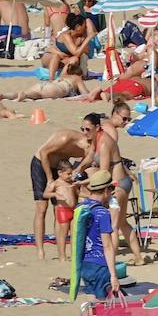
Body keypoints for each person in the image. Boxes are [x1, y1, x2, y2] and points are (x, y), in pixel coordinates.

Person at [30, 127, 94, 261]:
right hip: (41, 164)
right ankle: (40, 250)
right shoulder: (65, 138)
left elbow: (84, 165)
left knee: (59, 209)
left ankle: (61, 252)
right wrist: (49, 179)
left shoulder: (86, 149)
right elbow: (43, 152)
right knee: (41, 208)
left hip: (60, 168)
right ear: (87, 142)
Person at [93, 104, 146, 265]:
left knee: (113, 225)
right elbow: (116, 157)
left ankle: (110, 261)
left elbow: (109, 158)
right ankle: (138, 257)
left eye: (129, 119)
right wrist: (129, 172)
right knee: (122, 223)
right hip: (123, 182)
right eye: (124, 118)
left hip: (116, 185)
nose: (126, 122)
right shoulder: (108, 130)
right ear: (114, 114)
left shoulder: (108, 132)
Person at [76, 170, 121, 299]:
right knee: (105, 304)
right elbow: (107, 246)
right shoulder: (102, 213)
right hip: (100, 264)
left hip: (85, 264)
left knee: (96, 303)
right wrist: (113, 275)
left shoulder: (81, 207)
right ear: (106, 191)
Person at [42, 160, 80, 261]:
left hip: (73, 209)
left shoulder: (71, 183)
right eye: (68, 174)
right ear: (60, 173)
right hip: (63, 210)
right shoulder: (56, 183)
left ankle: (73, 255)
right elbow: (45, 194)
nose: (70, 176)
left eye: (71, 173)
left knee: (74, 234)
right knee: (63, 234)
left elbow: (78, 193)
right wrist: (55, 194)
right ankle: (62, 255)